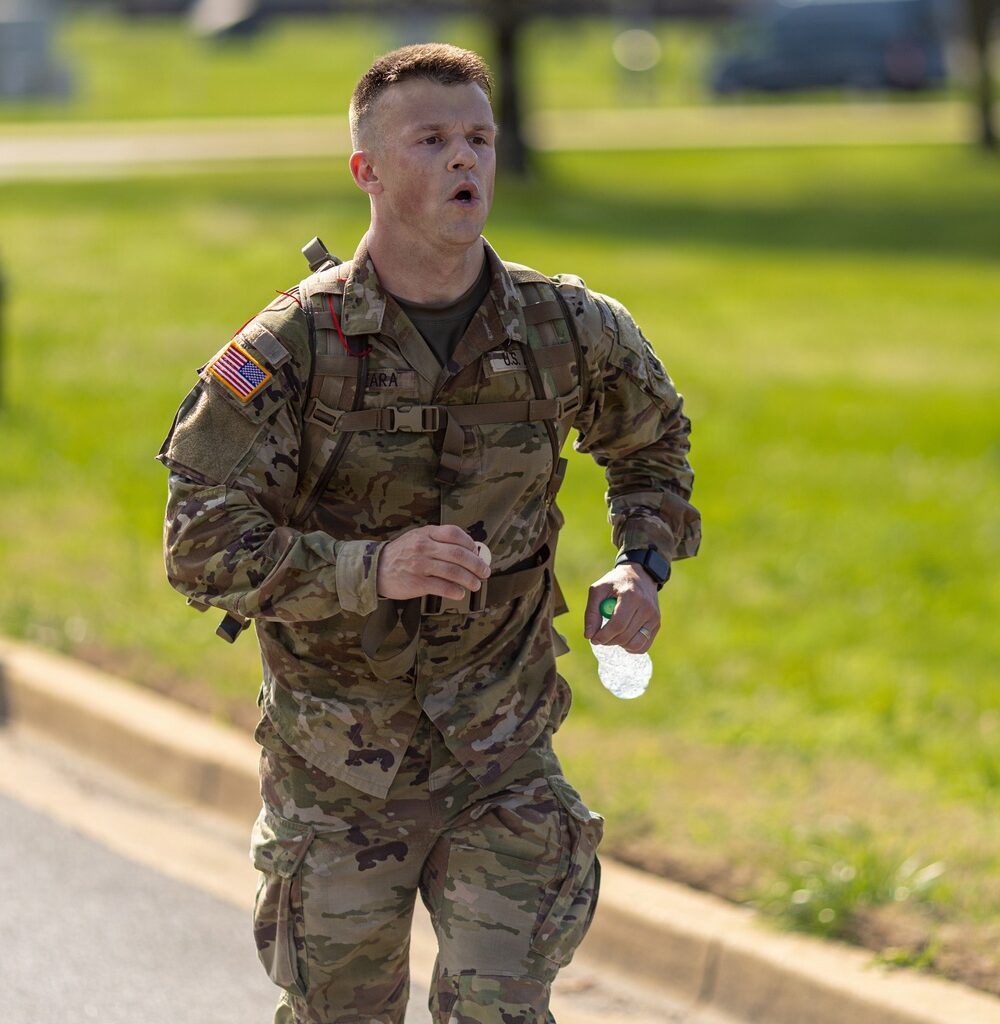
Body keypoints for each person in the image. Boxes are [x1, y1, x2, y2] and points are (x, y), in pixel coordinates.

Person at [158, 43, 700, 1024]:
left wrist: (641, 562)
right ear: (366, 168)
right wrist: (372, 568)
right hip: (337, 767)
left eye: (480, 139)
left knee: (501, 1006)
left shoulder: (567, 327)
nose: (465, 161)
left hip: (502, 749)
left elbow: (653, 445)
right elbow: (199, 541)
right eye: (433, 140)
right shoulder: (287, 349)